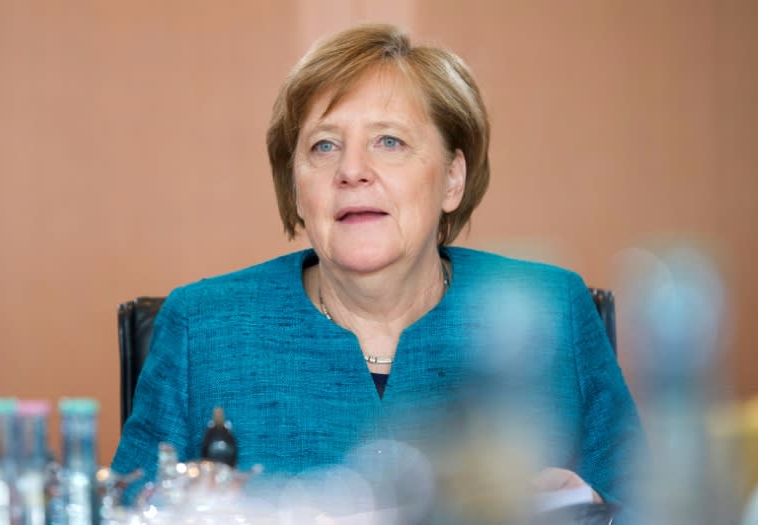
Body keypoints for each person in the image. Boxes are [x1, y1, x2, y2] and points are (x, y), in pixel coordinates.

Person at [112, 24, 644, 520]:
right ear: (297, 189)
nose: (351, 171)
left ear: (453, 179)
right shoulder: (202, 329)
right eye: (324, 146)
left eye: (389, 141)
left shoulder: (551, 310)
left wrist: (589, 508)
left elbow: (650, 505)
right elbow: (127, 510)